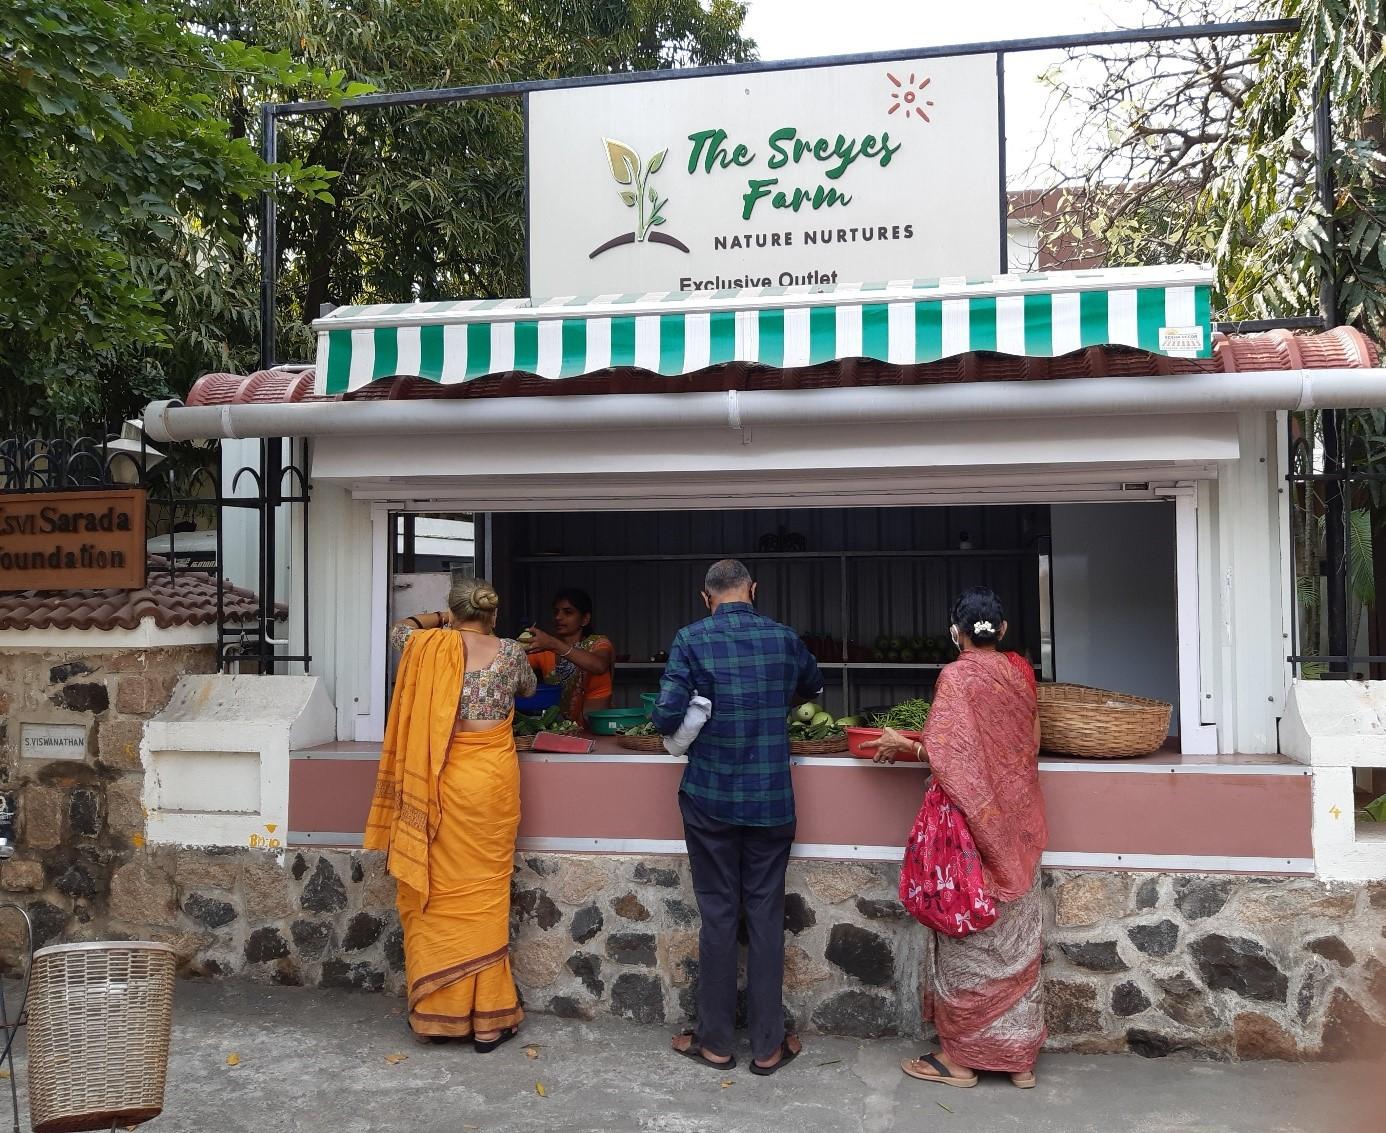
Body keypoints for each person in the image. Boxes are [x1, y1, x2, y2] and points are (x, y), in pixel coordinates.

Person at [862, 585, 1048, 1089]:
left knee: (971, 940)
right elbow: (1024, 745)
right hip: (1020, 823)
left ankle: (961, 1061)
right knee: (1016, 941)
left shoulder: (956, 676)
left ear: (955, 632)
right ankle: (1019, 1062)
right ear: (1003, 631)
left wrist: (908, 746)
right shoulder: (1021, 673)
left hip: (971, 832)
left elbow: (954, 760)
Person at [651, 559, 824, 1075]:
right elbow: (812, 688)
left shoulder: (690, 639)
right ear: (753, 590)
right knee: (767, 919)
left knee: (719, 915)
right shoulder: (784, 638)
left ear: (706, 597)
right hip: (771, 802)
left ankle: (716, 1043)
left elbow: (663, 715)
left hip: (710, 802)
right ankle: (769, 1046)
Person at [368, 578, 536, 1051]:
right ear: (494, 615)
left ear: (451, 609)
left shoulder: (423, 644)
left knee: (437, 895)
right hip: (491, 786)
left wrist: (439, 620)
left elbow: (398, 628)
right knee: (485, 894)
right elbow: (530, 689)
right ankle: (487, 1022)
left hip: (437, 781)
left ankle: (439, 1015)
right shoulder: (510, 654)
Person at [521, 588, 615, 724]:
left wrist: (554, 644)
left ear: (585, 619)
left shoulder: (599, 643)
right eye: (556, 612)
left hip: (597, 728)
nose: (558, 617)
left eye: (568, 612)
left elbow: (599, 666)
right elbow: (512, 666)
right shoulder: (545, 649)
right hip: (559, 731)